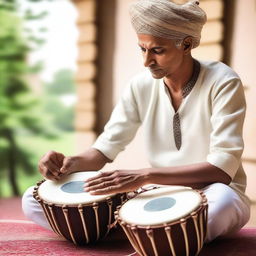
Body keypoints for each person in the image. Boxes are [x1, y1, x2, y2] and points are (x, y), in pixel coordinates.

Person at [22, 0, 250, 243]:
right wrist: (69, 163)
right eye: (143, 49)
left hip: (211, 192)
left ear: (185, 44)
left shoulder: (223, 81)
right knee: (32, 199)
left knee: (224, 203)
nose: (146, 61)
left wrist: (142, 176)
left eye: (157, 51)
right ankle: (154, 233)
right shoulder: (140, 85)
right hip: (157, 193)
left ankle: (135, 232)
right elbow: (104, 149)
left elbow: (222, 171)